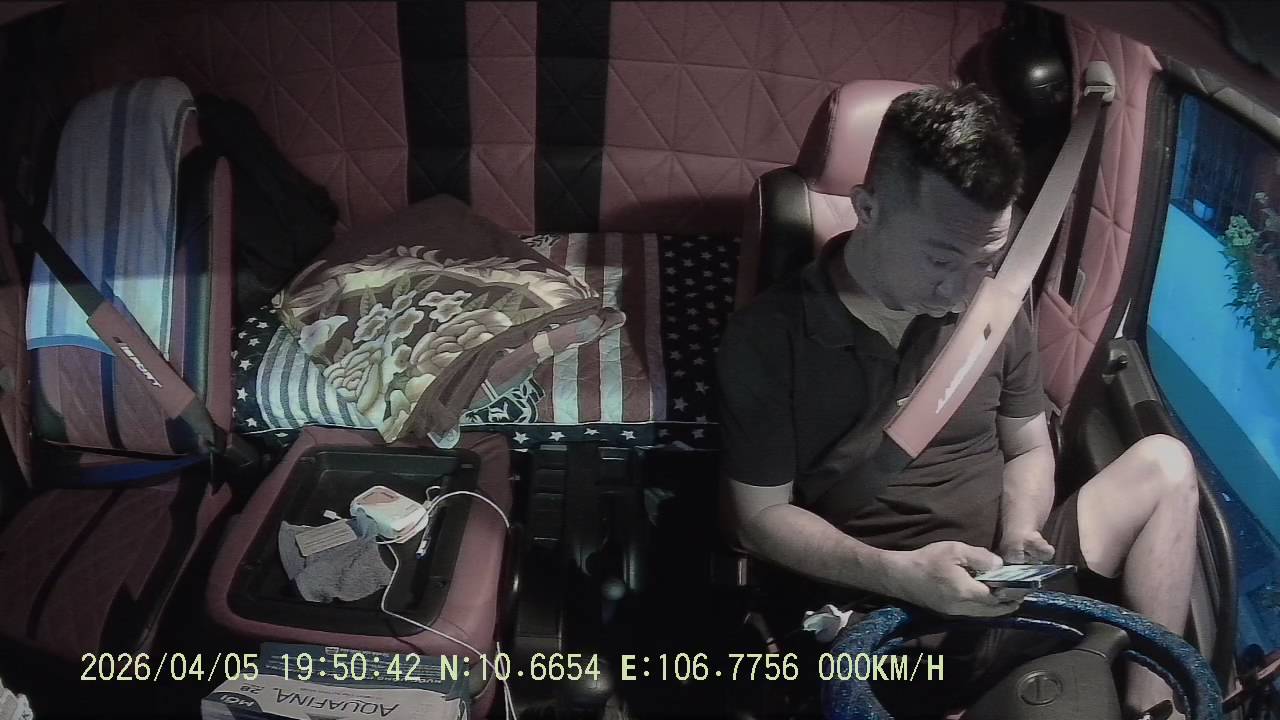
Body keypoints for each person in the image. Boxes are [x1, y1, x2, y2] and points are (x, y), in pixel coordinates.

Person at [716, 84, 1199, 718]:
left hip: (1004, 581)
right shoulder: (767, 340)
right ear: (867, 208)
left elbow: (1027, 445)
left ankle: (1156, 710)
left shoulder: (992, 309)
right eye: (941, 260)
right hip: (876, 610)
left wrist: (1022, 528)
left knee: (1165, 463)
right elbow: (759, 519)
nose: (964, 289)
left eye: (986, 258)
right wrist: (897, 573)